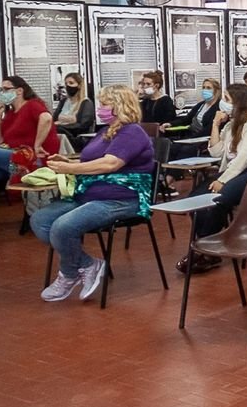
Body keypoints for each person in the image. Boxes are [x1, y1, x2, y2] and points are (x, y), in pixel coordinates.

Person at [30, 85, 154, 302]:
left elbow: (110, 164)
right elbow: (90, 160)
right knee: (40, 220)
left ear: (120, 106)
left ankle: (69, 274)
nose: (100, 108)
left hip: (121, 199)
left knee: (63, 227)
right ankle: (88, 264)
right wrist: (68, 162)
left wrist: (71, 169)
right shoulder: (105, 131)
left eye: (105, 103)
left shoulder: (132, 132)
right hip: (90, 194)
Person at [175, 83, 247, 274]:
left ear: (239, 102)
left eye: (227, 99)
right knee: (195, 199)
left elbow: (245, 157)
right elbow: (216, 152)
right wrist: (215, 125)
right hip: (233, 171)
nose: (223, 103)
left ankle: (203, 250)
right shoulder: (231, 124)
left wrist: (223, 180)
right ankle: (207, 247)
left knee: (217, 200)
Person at [0, 75, 60, 205]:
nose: (2, 93)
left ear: (19, 91)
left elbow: (46, 118)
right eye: (1, 90)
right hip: (15, 159)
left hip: (33, 158)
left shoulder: (32, 105)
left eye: (6, 89)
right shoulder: (10, 114)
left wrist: (37, 145)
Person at [52, 72, 95, 147]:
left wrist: (61, 126)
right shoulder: (63, 101)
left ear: (79, 85)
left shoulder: (86, 103)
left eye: (71, 83)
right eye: (66, 83)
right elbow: (54, 119)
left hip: (76, 137)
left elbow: (83, 125)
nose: (68, 86)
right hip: (59, 135)